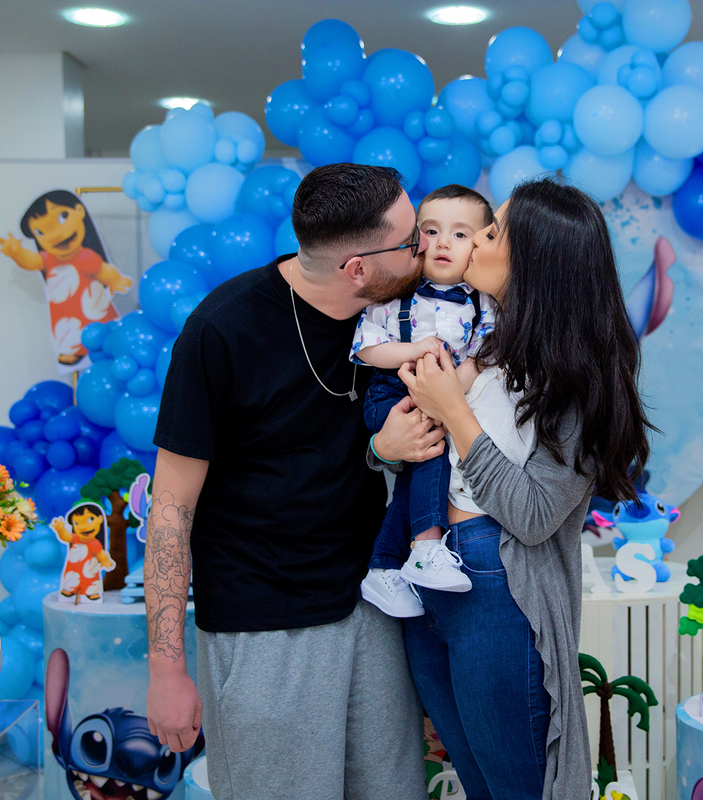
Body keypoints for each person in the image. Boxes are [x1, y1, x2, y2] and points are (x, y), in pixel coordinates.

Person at [144, 163, 444, 800]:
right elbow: (170, 510)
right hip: (264, 622)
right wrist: (166, 669)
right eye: (410, 237)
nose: (424, 247)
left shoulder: (401, 316)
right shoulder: (223, 328)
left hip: (372, 602)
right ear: (356, 268)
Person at [399, 178, 653, 800]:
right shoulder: (492, 350)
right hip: (432, 577)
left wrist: (453, 411)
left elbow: (535, 515)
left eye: (492, 234)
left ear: (535, 259)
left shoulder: (576, 375)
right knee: (479, 784)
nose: (475, 245)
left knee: (519, 788)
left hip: (497, 581)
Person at [354, 185, 496, 617]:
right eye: (430, 231)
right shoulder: (397, 293)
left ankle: (383, 568)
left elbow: (487, 350)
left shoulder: (483, 302)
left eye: (459, 235)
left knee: (424, 469)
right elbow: (366, 347)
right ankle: (426, 546)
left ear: (480, 243)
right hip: (393, 392)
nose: (441, 243)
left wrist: (451, 388)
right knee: (433, 451)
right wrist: (414, 352)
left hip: (442, 392)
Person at [0, 190, 132, 368]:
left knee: (103, 333)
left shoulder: (85, 256)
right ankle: (73, 349)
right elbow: (31, 261)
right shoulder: (49, 259)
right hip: (65, 313)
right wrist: (17, 253)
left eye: (62, 217)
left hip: (94, 308)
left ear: (79, 211)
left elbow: (103, 271)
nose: (55, 235)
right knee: (68, 334)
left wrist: (116, 281)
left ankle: (107, 343)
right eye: (40, 231)